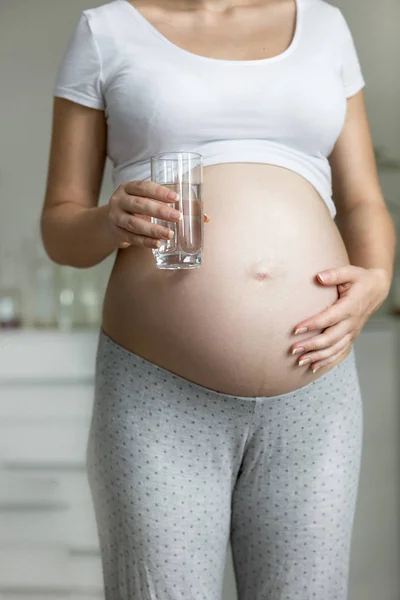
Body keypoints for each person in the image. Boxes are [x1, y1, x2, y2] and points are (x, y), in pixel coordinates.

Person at [41, 0, 395, 597]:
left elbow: (362, 201)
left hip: (317, 383)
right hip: (158, 392)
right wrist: (109, 221)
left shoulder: (323, 25)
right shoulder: (106, 31)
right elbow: (60, 225)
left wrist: (377, 280)